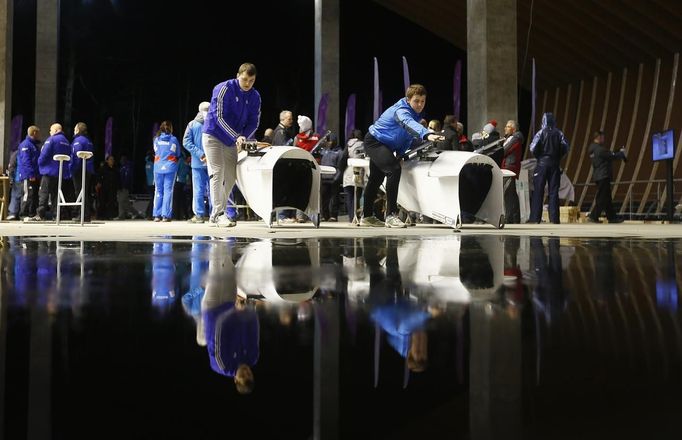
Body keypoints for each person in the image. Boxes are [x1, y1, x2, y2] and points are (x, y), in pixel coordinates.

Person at [360, 84, 444, 228]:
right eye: (416, 101)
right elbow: (407, 123)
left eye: (423, 101)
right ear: (408, 99)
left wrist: (400, 155)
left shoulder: (415, 115)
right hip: (374, 141)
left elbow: (406, 137)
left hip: (385, 146)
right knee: (393, 169)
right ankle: (391, 216)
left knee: (376, 178)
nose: (420, 104)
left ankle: (367, 217)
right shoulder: (401, 110)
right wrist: (426, 134)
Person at [202, 62, 261, 228]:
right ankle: (219, 213)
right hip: (213, 135)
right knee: (217, 172)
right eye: (244, 79)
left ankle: (215, 213)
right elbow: (219, 117)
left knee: (230, 175)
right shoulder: (223, 88)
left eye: (251, 80)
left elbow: (253, 122)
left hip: (231, 140)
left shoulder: (255, 96)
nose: (247, 84)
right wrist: (237, 136)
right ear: (238, 76)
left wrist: (242, 136)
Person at [527, 112, 570, 224]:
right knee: (554, 192)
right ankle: (555, 219)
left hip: (541, 165)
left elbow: (532, 148)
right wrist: (558, 156)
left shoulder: (540, 133)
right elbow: (566, 147)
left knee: (538, 192)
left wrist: (539, 156)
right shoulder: (559, 133)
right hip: (555, 165)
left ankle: (535, 219)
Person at [28, 123, 71, 221]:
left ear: (55, 130)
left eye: (51, 130)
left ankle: (40, 214)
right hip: (60, 173)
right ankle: (57, 215)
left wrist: (39, 163)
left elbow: (44, 155)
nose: (50, 132)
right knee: (56, 194)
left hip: (49, 171)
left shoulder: (51, 140)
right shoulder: (67, 141)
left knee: (44, 193)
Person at [586, 130, 626, 224]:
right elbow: (611, 156)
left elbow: (608, 154)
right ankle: (593, 216)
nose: (604, 139)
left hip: (598, 175)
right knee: (602, 197)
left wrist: (615, 152)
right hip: (603, 176)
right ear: (598, 137)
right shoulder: (600, 149)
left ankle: (612, 217)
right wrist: (621, 154)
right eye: (603, 137)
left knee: (607, 198)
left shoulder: (592, 149)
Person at [183, 101, 211, 223]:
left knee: (198, 189)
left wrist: (200, 154)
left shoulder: (192, 124)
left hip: (198, 163)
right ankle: (215, 215)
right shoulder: (215, 124)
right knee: (214, 190)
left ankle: (199, 215)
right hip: (213, 162)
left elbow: (186, 142)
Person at [152, 120, 181, 222]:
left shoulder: (156, 140)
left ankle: (156, 215)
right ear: (171, 128)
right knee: (168, 191)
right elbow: (178, 153)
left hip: (158, 167)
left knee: (158, 191)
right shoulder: (174, 140)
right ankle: (166, 215)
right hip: (170, 167)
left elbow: (155, 151)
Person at [70, 122, 95, 221]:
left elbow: (76, 157)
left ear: (78, 130)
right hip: (88, 169)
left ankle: (83, 215)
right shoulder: (88, 141)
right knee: (84, 192)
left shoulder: (78, 141)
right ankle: (86, 215)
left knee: (79, 192)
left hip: (80, 169)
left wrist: (72, 169)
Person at [501, 120, 524, 224]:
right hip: (509, 166)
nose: (505, 128)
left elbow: (504, 150)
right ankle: (515, 218)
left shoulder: (515, 139)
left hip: (510, 167)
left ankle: (509, 218)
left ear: (513, 129)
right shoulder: (512, 138)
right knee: (511, 193)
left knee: (508, 193)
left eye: (508, 126)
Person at [16, 126, 42, 219]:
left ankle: (32, 213)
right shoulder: (26, 145)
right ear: (34, 133)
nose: (40, 135)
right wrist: (30, 174)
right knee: (27, 194)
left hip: (35, 175)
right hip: (28, 175)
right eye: (38, 133)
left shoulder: (34, 145)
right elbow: (26, 161)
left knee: (34, 195)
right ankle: (23, 214)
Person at [319, 132, 345, 222]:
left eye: (329, 141)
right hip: (324, 178)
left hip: (334, 179)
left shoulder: (339, 152)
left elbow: (340, 167)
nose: (328, 143)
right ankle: (324, 215)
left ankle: (333, 215)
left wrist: (336, 178)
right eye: (327, 141)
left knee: (334, 198)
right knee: (324, 198)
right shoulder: (325, 151)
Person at [342, 129, 366, 222]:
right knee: (357, 196)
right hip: (359, 170)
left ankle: (351, 217)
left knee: (349, 196)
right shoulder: (363, 144)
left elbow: (343, 159)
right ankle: (356, 216)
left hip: (348, 171)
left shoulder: (348, 145)